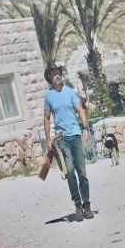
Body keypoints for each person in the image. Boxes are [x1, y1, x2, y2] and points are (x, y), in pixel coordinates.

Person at [39, 63, 94, 222]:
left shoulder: (70, 92)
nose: (56, 75)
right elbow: (46, 118)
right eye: (53, 73)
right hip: (61, 139)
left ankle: (87, 205)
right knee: (69, 171)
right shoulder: (48, 96)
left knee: (82, 172)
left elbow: (81, 110)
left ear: (60, 74)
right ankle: (77, 205)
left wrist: (85, 128)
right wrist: (48, 139)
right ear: (49, 77)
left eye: (58, 72)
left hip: (76, 136)